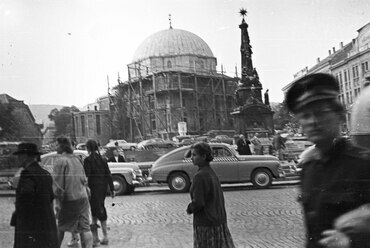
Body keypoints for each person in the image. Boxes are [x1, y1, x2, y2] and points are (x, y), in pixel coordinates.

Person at [286, 73, 370, 248]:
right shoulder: (308, 168)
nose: (313, 122)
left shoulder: (363, 164)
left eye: (321, 113)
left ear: (339, 115)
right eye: (305, 116)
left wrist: (352, 241)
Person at [186, 142, 235, 248]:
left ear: (203, 156)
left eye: (194, 155)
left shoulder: (200, 176)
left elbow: (199, 202)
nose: (191, 158)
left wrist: (190, 208)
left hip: (206, 223)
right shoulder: (211, 173)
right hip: (218, 220)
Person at [11, 142, 58, 248]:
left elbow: (25, 200)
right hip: (47, 226)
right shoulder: (45, 174)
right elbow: (50, 198)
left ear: (26, 156)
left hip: (32, 228)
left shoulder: (27, 174)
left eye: (19, 155)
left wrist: (18, 213)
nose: (17, 158)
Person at [53, 136, 93, 248]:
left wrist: (57, 203)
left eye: (56, 145)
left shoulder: (61, 161)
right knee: (85, 227)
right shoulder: (77, 159)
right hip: (83, 197)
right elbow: (84, 179)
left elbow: (58, 185)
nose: (55, 147)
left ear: (62, 146)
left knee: (61, 227)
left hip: (69, 199)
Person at [84, 140, 115, 246]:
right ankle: (104, 236)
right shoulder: (103, 160)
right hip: (102, 188)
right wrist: (112, 189)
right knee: (100, 208)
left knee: (94, 212)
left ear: (88, 148)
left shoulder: (87, 160)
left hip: (92, 188)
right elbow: (108, 174)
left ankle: (96, 238)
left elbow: (87, 175)